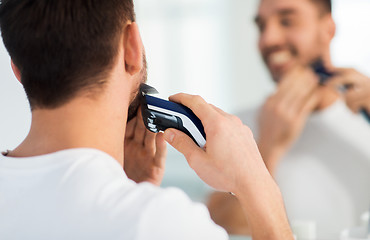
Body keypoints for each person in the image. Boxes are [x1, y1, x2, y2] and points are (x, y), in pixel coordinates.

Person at [0, 0, 294, 239]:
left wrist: (129, 191)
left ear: (18, 69)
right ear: (132, 47)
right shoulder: (163, 223)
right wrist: (256, 182)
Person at [207, 0, 370, 239]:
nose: (267, 39)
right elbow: (220, 231)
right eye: (261, 26)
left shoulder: (365, 116)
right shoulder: (233, 127)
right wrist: (267, 147)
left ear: (328, 29)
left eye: (287, 21)